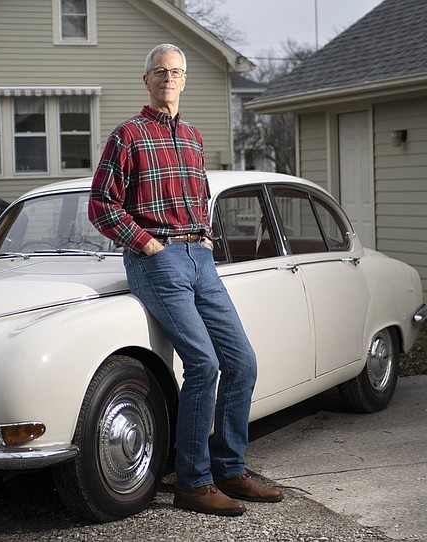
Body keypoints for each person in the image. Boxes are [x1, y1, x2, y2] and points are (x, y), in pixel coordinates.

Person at [88, 43, 284, 516]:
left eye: (175, 71)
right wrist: (150, 244)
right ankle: (193, 482)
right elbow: (101, 205)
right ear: (147, 80)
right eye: (159, 71)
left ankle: (230, 470)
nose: (168, 78)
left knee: (243, 362)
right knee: (203, 364)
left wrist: (208, 237)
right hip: (157, 260)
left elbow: (200, 198)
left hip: (200, 257)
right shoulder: (128, 136)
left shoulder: (194, 137)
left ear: (185, 79)